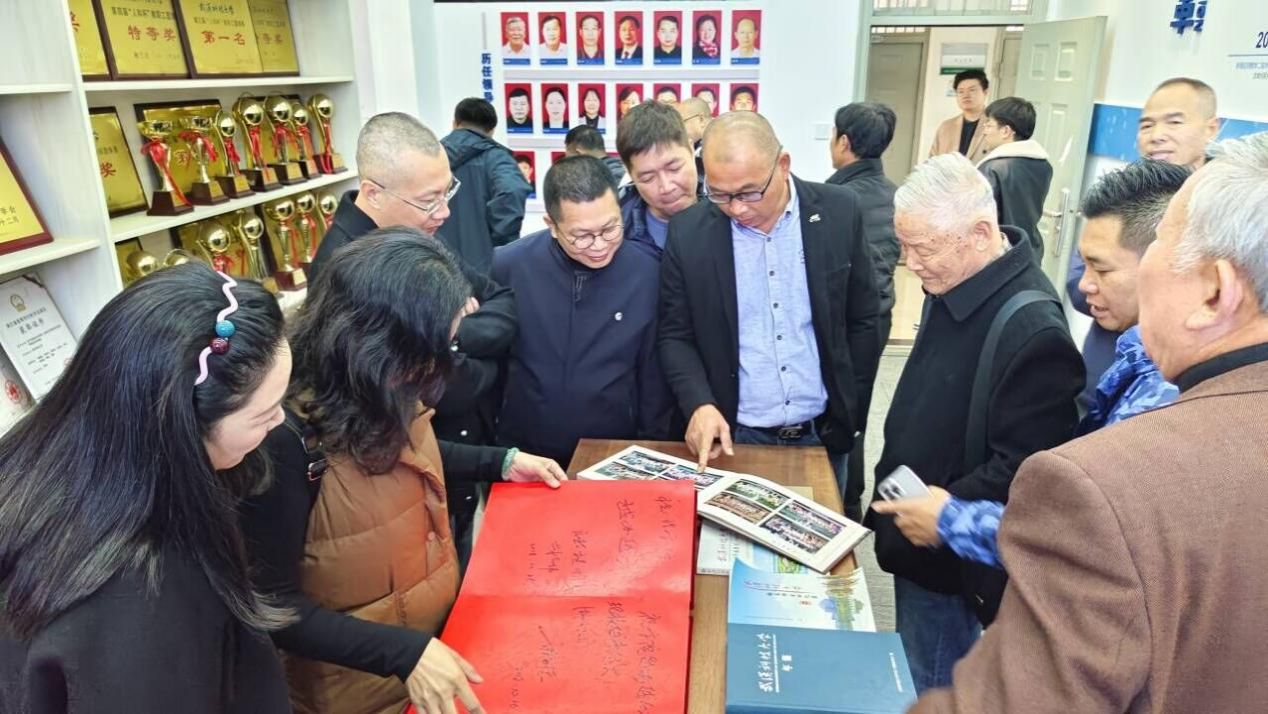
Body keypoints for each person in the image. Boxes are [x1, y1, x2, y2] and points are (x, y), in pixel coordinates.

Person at [909, 131, 1268, 714]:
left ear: (1214, 292)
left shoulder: (1117, 474)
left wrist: (951, 519)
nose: (1082, 285)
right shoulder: (1143, 363)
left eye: (1150, 253)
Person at [245, 232, 565, 714]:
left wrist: (499, 462)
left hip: (434, 654)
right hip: (358, 690)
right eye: (437, 346)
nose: (444, 362)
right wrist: (402, 654)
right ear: (384, 340)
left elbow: (410, 454)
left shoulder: (386, 384)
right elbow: (270, 605)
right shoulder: (282, 439)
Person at [872, 159, 1190, 571]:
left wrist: (948, 519)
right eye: (1083, 264)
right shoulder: (1136, 354)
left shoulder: (1165, 394)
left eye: (1101, 268)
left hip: (954, 557)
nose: (1083, 285)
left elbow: (1084, 533)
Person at [0, 265, 292, 712]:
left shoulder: (36, 461)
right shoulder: (144, 596)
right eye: (265, 413)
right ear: (183, 425)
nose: (281, 420)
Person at [865, 153, 1083, 693]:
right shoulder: (954, 281)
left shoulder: (1033, 330)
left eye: (923, 247)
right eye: (904, 246)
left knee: (933, 684)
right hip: (915, 529)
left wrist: (939, 514)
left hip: (947, 552)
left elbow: (1027, 472)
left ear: (981, 233)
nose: (911, 263)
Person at [310, 113, 517, 574]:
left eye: (447, 192)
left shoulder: (413, 232)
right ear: (373, 193)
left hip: (459, 452)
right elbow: (443, 389)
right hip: (404, 477)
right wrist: (476, 353)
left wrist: (457, 337)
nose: (444, 212)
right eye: (429, 200)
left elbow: (502, 301)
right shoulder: (347, 271)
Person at [658, 112, 882, 522]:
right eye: (720, 194)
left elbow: (865, 317)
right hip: (734, 435)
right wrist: (699, 404)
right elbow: (675, 334)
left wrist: (851, 402)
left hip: (821, 432)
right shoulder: (690, 231)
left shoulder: (839, 211)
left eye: (749, 192)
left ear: (783, 164)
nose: (737, 208)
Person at [492, 156, 675, 468]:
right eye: (582, 235)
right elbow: (492, 364)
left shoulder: (648, 271)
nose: (599, 245)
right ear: (552, 225)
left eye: (610, 228)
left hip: (613, 454)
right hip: (526, 454)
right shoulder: (509, 266)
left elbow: (653, 378)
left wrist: (649, 448)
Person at [1067, 77, 1220, 409]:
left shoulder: (1226, 211)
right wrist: (1118, 290)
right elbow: (1076, 278)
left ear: (1211, 128)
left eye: (1174, 122)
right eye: (1147, 124)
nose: (1157, 135)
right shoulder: (1120, 197)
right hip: (1103, 365)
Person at [826, 102, 902, 515]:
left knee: (837, 407)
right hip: (879, 318)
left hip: (842, 321)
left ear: (843, 141)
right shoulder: (894, 194)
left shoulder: (836, 198)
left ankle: (838, 496)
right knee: (858, 405)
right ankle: (852, 499)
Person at [438, 98, 531, 273]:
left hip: (434, 265)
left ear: (455, 123)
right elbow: (513, 190)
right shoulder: (497, 159)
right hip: (482, 269)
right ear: (492, 129)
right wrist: (504, 245)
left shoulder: (430, 157)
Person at [616, 100, 701, 260]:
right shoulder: (614, 236)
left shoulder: (730, 210)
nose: (666, 187)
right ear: (629, 173)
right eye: (648, 178)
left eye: (674, 168)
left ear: (691, 149)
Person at [977, 97, 1053, 259]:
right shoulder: (1043, 166)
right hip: (1030, 250)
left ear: (1006, 131)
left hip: (999, 256)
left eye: (989, 125)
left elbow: (978, 219)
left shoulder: (991, 169)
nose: (984, 131)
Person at [929, 69, 990, 163]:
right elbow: (932, 161)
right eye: (961, 91)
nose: (966, 95)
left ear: (985, 92)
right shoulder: (946, 127)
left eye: (972, 90)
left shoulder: (996, 125)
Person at [675, 97, 711, 188]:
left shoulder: (720, 145)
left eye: (682, 122)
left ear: (701, 119)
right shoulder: (694, 146)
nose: (678, 129)